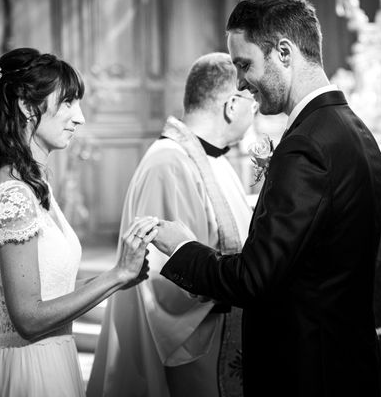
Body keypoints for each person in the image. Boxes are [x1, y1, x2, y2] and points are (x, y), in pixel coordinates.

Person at [151, 0, 381, 397]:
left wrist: (182, 249)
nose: (240, 82)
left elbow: (254, 279)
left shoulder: (307, 147)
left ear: (284, 52)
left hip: (306, 373)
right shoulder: (354, 132)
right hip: (345, 363)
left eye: (245, 65)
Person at [0, 48, 158, 397]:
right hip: (31, 369)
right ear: (28, 107)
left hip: (53, 357)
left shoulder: (31, 187)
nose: (80, 117)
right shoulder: (13, 195)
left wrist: (120, 278)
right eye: (69, 102)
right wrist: (115, 274)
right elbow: (28, 319)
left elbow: (52, 292)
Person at [87, 52, 255, 397]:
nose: (257, 110)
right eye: (251, 100)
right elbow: (164, 279)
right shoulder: (168, 164)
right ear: (232, 105)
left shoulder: (216, 162)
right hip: (193, 345)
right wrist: (235, 287)